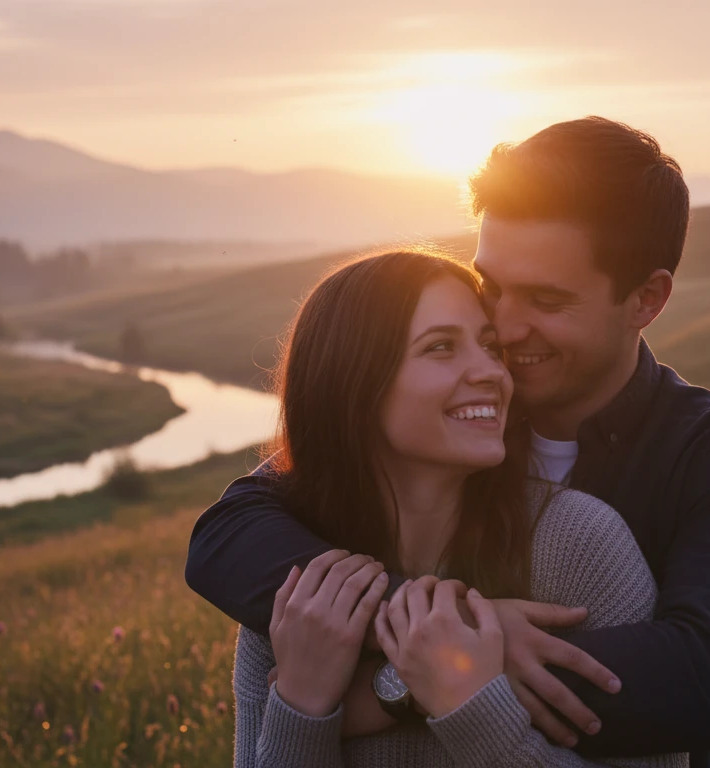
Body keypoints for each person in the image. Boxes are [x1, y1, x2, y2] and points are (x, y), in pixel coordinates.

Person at [188, 117, 710, 767]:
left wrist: (422, 670)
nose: (502, 324)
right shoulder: (438, 436)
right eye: (492, 286)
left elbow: (697, 687)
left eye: (546, 299)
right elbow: (227, 537)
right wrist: (435, 619)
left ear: (646, 298)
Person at [230, 250, 686, 766]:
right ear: (353, 384)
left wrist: (471, 707)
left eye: (489, 346)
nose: (491, 371)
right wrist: (304, 710)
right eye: (442, 347)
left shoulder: (581, 546)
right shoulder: (307, 594)